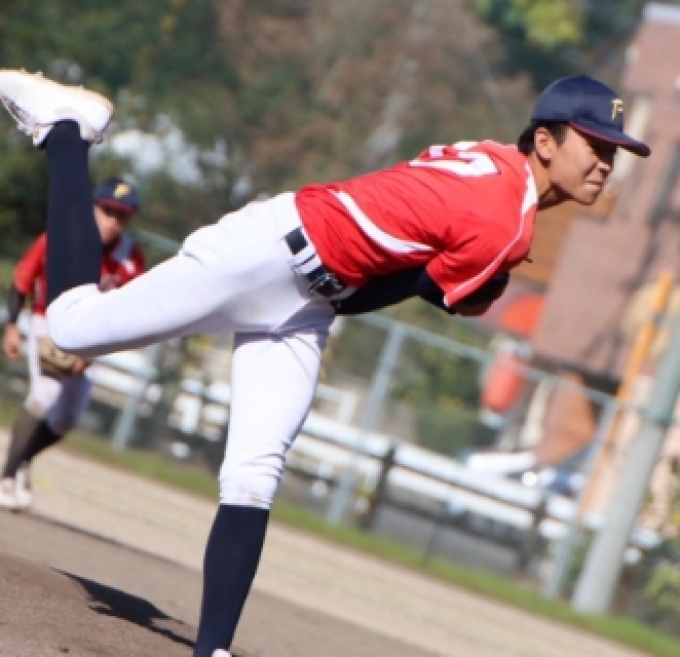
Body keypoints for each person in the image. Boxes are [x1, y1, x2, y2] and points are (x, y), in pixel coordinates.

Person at [0, 70, 649, 657]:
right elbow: (402, 289)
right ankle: (68, 130)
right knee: (73, 326)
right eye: (594, 145)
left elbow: (406, 254)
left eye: (613, 151)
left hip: (308, 294)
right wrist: (474, 289)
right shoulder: (507, 221)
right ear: (545, 142)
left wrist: (361, 299)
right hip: (268, 258)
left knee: (254, 474)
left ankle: (213, 649)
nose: (605, 163)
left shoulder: (492, 158)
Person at [0, 176, 145, 510]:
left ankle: (22, 460)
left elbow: (130, 310)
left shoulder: (131, 258)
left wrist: (93, 351)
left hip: (92, 335)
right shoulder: (61, 236)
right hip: (48, 322)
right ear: (92, 207)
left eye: (121, 216)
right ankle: (7, 476)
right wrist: (11, 325)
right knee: (45, 394)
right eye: (107, 210)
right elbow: (22, 280)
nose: (112, 220)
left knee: (67, 419)